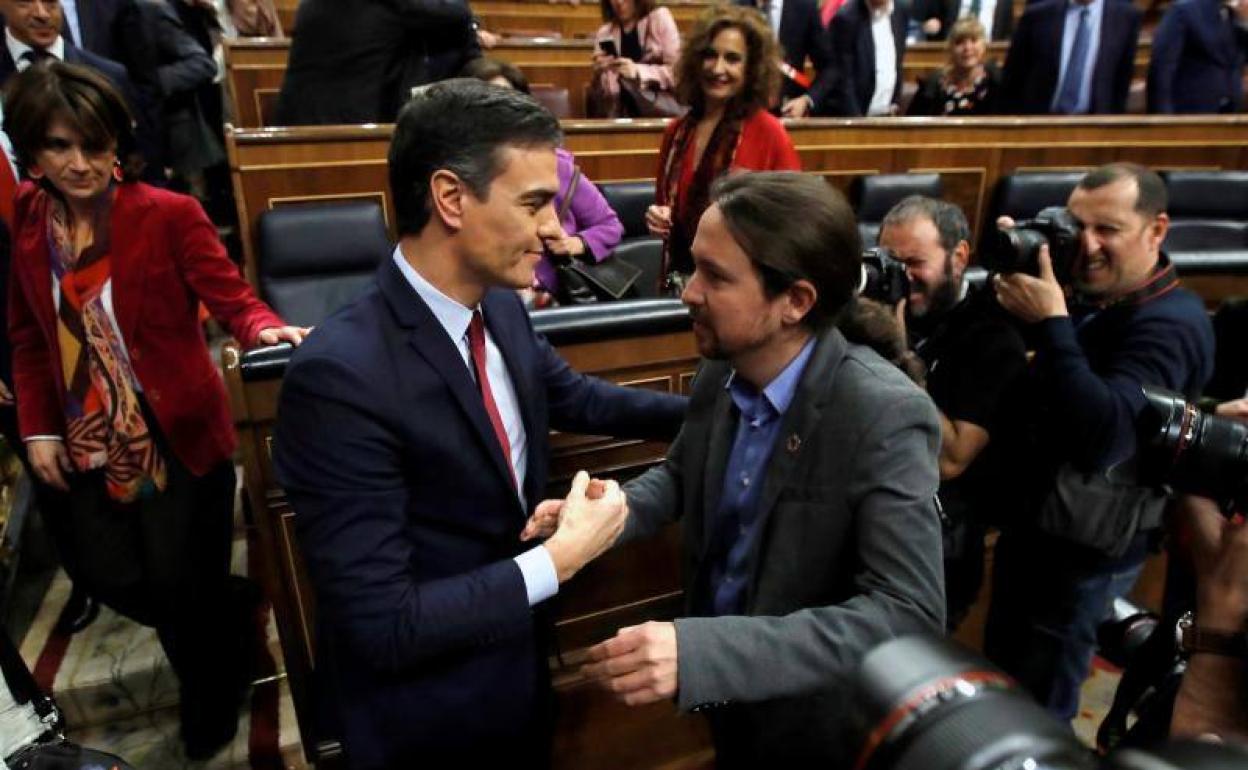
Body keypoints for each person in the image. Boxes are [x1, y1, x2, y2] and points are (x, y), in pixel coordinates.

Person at [272, 79, 688, 769]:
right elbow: (384, 624)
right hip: (428, 720)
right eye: (533, 205)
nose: (556, 230)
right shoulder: (338, 377)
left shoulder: (500, 308)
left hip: (519, 681)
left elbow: (577, 397)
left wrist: (725, 410)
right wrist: (560, 559)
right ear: (450, 198)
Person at [569, 172, 945, 767]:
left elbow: (906, 613)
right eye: (693, 268)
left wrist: (705, 655)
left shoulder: (883, 413)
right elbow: (682, 475)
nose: (688, 292)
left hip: (818, 723)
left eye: (715, 277)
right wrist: (611, 512)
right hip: (733, 705)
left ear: (795, 301)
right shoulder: (722, 368)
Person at [3, 61, 309, 758]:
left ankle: (212, 697)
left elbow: (232, 299)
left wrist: (264, 329)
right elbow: (26, 332)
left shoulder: (167, 213)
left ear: (118, 144)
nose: (80, 164)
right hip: (83, 434)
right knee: (107, 573)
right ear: (34, 152)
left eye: (95, 144)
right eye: (59, 147)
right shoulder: (27, 220)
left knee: (176, 583)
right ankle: (230, 608)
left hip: (176, 429)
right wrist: (39, 425)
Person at [985, 163, 1215, 721]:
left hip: (1083, 554)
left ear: (1156, 230)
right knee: (1004, 684)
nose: (1086, 245)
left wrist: (1051, 325)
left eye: (1106, 230)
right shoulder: (1096, 297)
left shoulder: (1171, 324)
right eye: (1076, 225)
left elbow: (1106, 434)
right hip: (1036, 532)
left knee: (1039, 707)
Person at [877, 196, 1026, 627]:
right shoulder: (880, 310)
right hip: (873, 534)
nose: (903, 278)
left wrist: (897, 354)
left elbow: (952, 458)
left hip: (938, 553)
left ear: (959, 256)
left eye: (914, 262)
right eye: (890, 262)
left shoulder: (993, 335)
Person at [646, 5, 801, 289]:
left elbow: (793, 224)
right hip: (679, 287)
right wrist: (658, 218)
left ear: (751, 68)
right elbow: (665, 207)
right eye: (710, 55)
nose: (718, 68)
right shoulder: (676, 133)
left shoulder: (769, 133)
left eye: (732, 59)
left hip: (743, 290)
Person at [462, 57, 625, 303]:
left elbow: (610, 226)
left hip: (551, 301)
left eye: (506, 102)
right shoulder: (459, 172)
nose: (496, 114)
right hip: (484, 300)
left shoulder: (556, 165)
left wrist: (573, 243)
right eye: (484, 103)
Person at [274, 0, 480, 125]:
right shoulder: (397, 5)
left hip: (296, 123)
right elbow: (457, 13)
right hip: (349, 130)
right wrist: (472, 25)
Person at [1000, 0, 1140, 114]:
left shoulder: (1126, 17)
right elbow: (1012, 81)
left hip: (1096, 127)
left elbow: (1121, 83)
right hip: (1040, 124)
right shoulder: (1037, 16)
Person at [734, 0, 836, 117]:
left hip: (789, 112)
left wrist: (807, 100)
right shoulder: (737, 8)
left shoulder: (804, 7)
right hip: (744, 112)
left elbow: (830, 68)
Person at [1147, 0, 1248, 114]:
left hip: (1232, 110)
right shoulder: (1184, 11)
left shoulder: (1237, 13)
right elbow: (1162, 66)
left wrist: (1245, 22)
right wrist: (1162, 114)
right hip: (1191, 111)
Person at [588, 0, 680, 118]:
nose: (619, 2)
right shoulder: (604, 33)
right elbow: (604, 94)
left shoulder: (659, 18)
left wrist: (638, 71)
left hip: (658, 115)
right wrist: (599, 74)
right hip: (619, 116)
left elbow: (678, 74)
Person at [826, 0, 910, 116]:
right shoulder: (846, 18)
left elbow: (897, 61)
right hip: (855, 119)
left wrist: (895, 103)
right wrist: (860, 127)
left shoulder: (901, 10)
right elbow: (843, 81)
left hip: (888, 115)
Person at [907, 16, 1002, 116]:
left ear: (983, 46)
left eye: (973, 41)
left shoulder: (996, 82)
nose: (967, 48)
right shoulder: (933, 84)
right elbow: (911, 125)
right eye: (960, 42)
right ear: (950, 49)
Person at [914, 0, 1014, 41]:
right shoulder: (946, 2)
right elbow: (930, 23)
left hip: (990, 55)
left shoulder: (1005, 3)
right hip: (951, 56)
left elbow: (1007, 34)